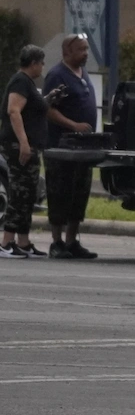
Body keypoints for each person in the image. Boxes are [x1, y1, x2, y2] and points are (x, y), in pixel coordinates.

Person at [43, 34, 98, 260]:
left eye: (86, 49)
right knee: (59, 192)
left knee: (79, 193)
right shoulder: (57, 75)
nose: (85, 54)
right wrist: (73, 125)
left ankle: (72, 241)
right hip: (61, 148)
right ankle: (56, 242)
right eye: (80, 50)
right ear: (67, 52)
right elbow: (48, 109)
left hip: (83, 149)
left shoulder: (83, 73)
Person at [2, 46, 53, 258]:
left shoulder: (28, 84)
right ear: (33, 63)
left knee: (29, 193)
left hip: (31, 147)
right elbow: (14, 110)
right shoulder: (21, 81)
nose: (42, 67)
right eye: (41, 63)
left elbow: (33, 108)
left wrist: (49, 98)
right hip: (19, 147)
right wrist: (23, 142)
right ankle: (6, 242)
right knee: (20, 192)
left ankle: (22, 242)